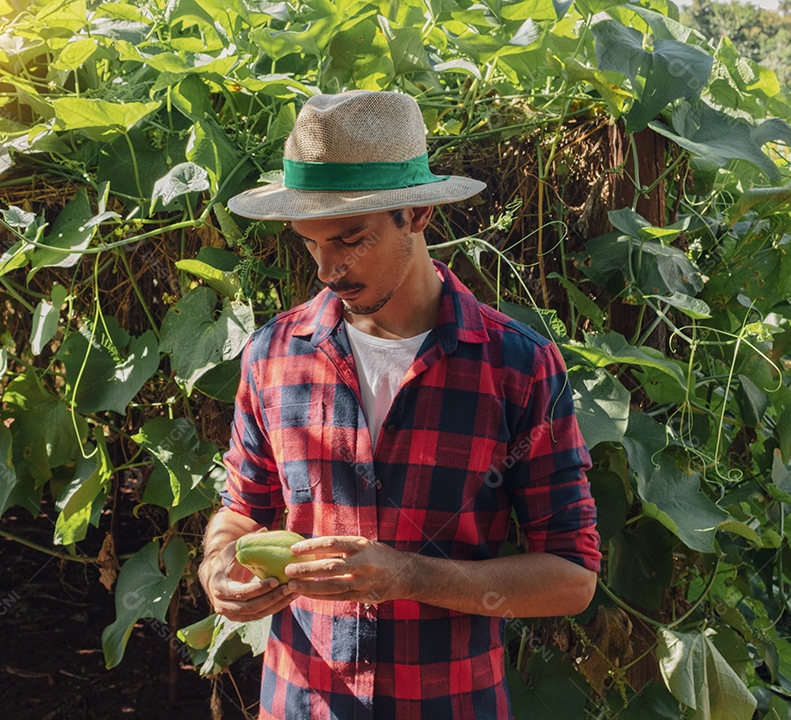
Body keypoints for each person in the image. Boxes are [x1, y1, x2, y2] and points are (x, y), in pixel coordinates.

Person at [197, 90, 601, 720]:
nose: (328, 268)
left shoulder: (516, 365)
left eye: (351, 240)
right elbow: (239, 512)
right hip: (300, 703)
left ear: (417, 215)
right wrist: (219, 567)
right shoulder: (273, 354)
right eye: (311, 243)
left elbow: (572, 578)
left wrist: (410, 576)